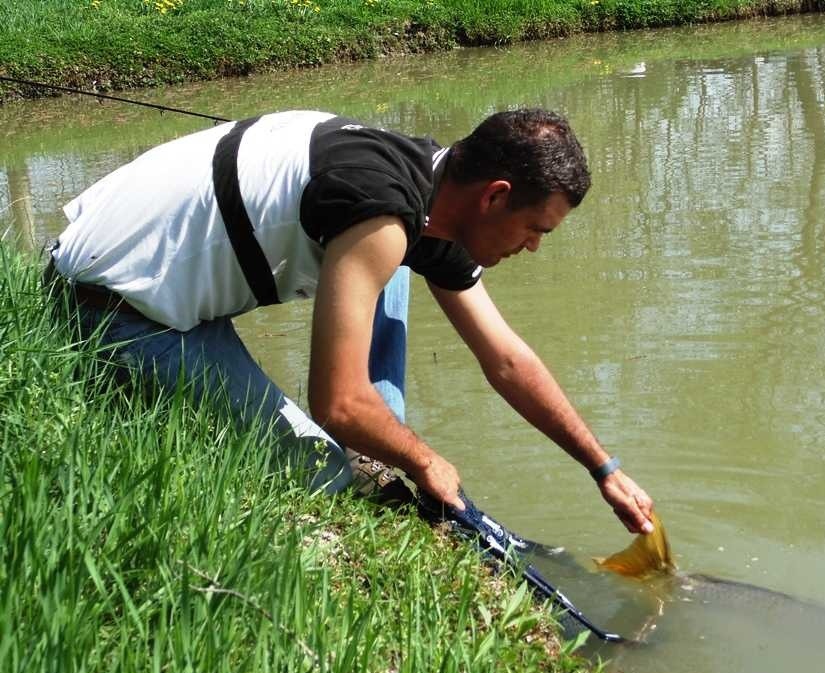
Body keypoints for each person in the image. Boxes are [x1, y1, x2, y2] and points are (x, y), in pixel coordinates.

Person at [48, 108, 654, 534]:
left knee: (390, 268)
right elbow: (334, 403)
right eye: (535, 229)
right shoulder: (382, 209)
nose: (533, 248)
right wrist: (424, 460)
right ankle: (374, 449)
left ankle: (380, 437)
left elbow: (506, 358)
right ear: (494, 195)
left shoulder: (427, 189)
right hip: (112, 304)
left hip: (156, 279)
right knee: (328, 474)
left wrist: (603, 468)